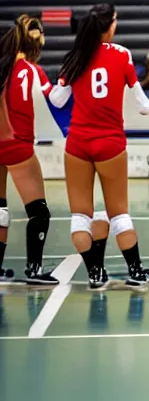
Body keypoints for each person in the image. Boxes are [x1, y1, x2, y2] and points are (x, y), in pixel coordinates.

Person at [49, 3, 149, 288]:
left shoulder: (75, 57)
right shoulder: (122, 54)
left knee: (79, 218)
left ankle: (95, 273)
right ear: (107, 26)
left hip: (78, 145)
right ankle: (135, 272)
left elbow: (57, 99)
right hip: (110, 144)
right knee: (119, 213)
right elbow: (144, 106)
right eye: (115, 21)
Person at [0, 16, 58, 284]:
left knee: (0, 210)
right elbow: (57, 100)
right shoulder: (33, 71)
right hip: (19, 146)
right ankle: (34, 270)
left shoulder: (2, 67)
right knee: (39, 211)